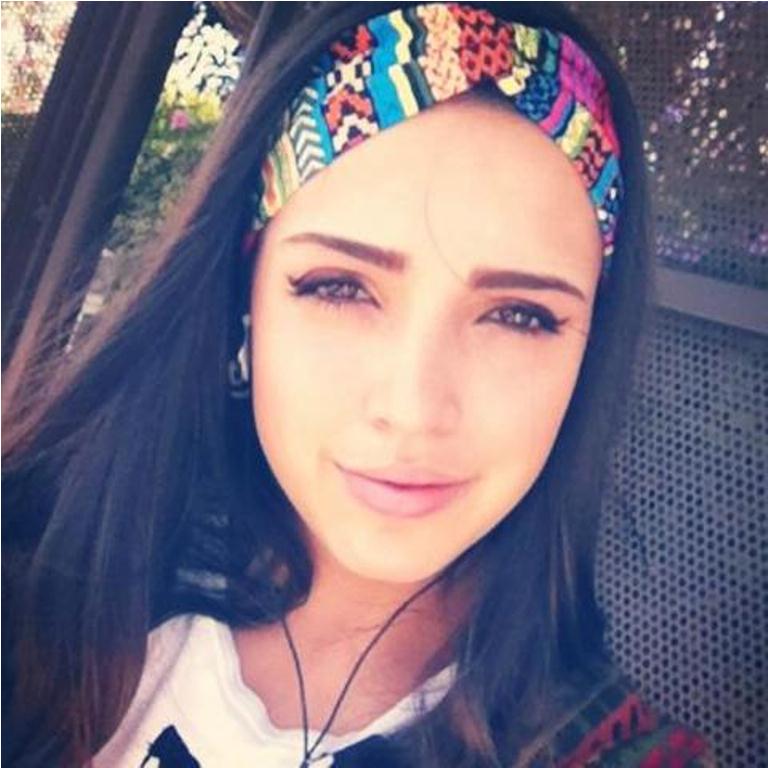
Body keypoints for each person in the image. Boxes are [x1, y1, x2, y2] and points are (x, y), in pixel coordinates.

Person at [2, 2, 715, 766]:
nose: (413, 409)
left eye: (518, 316)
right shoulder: (36, 585)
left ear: (588, 355)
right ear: (244, 304)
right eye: (339, 288)